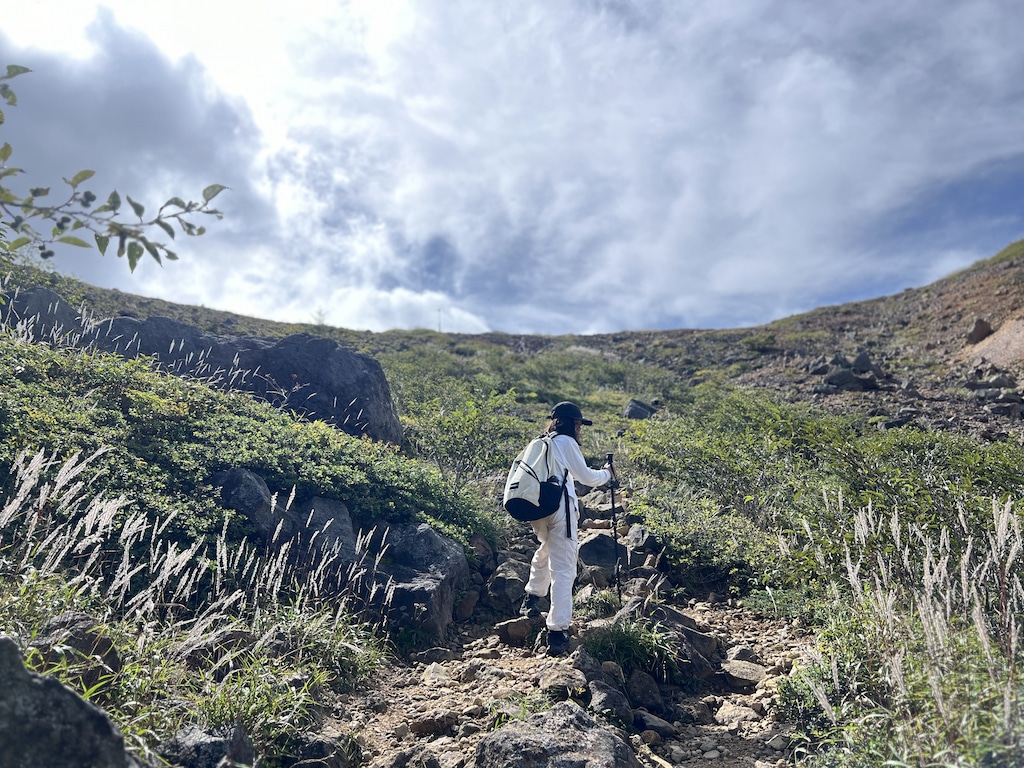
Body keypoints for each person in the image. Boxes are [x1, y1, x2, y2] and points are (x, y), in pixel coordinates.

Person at [520, 401, 615, 656]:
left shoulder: (539, 442)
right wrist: (607, 474)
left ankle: (531, 597)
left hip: (537, 509)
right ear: (573, 423)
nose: (579, 429)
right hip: (560, 509)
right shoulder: (566, 442)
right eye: (579, 424)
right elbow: (586, 477)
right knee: (564, 569)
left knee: (547, 548)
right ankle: (557, 632)